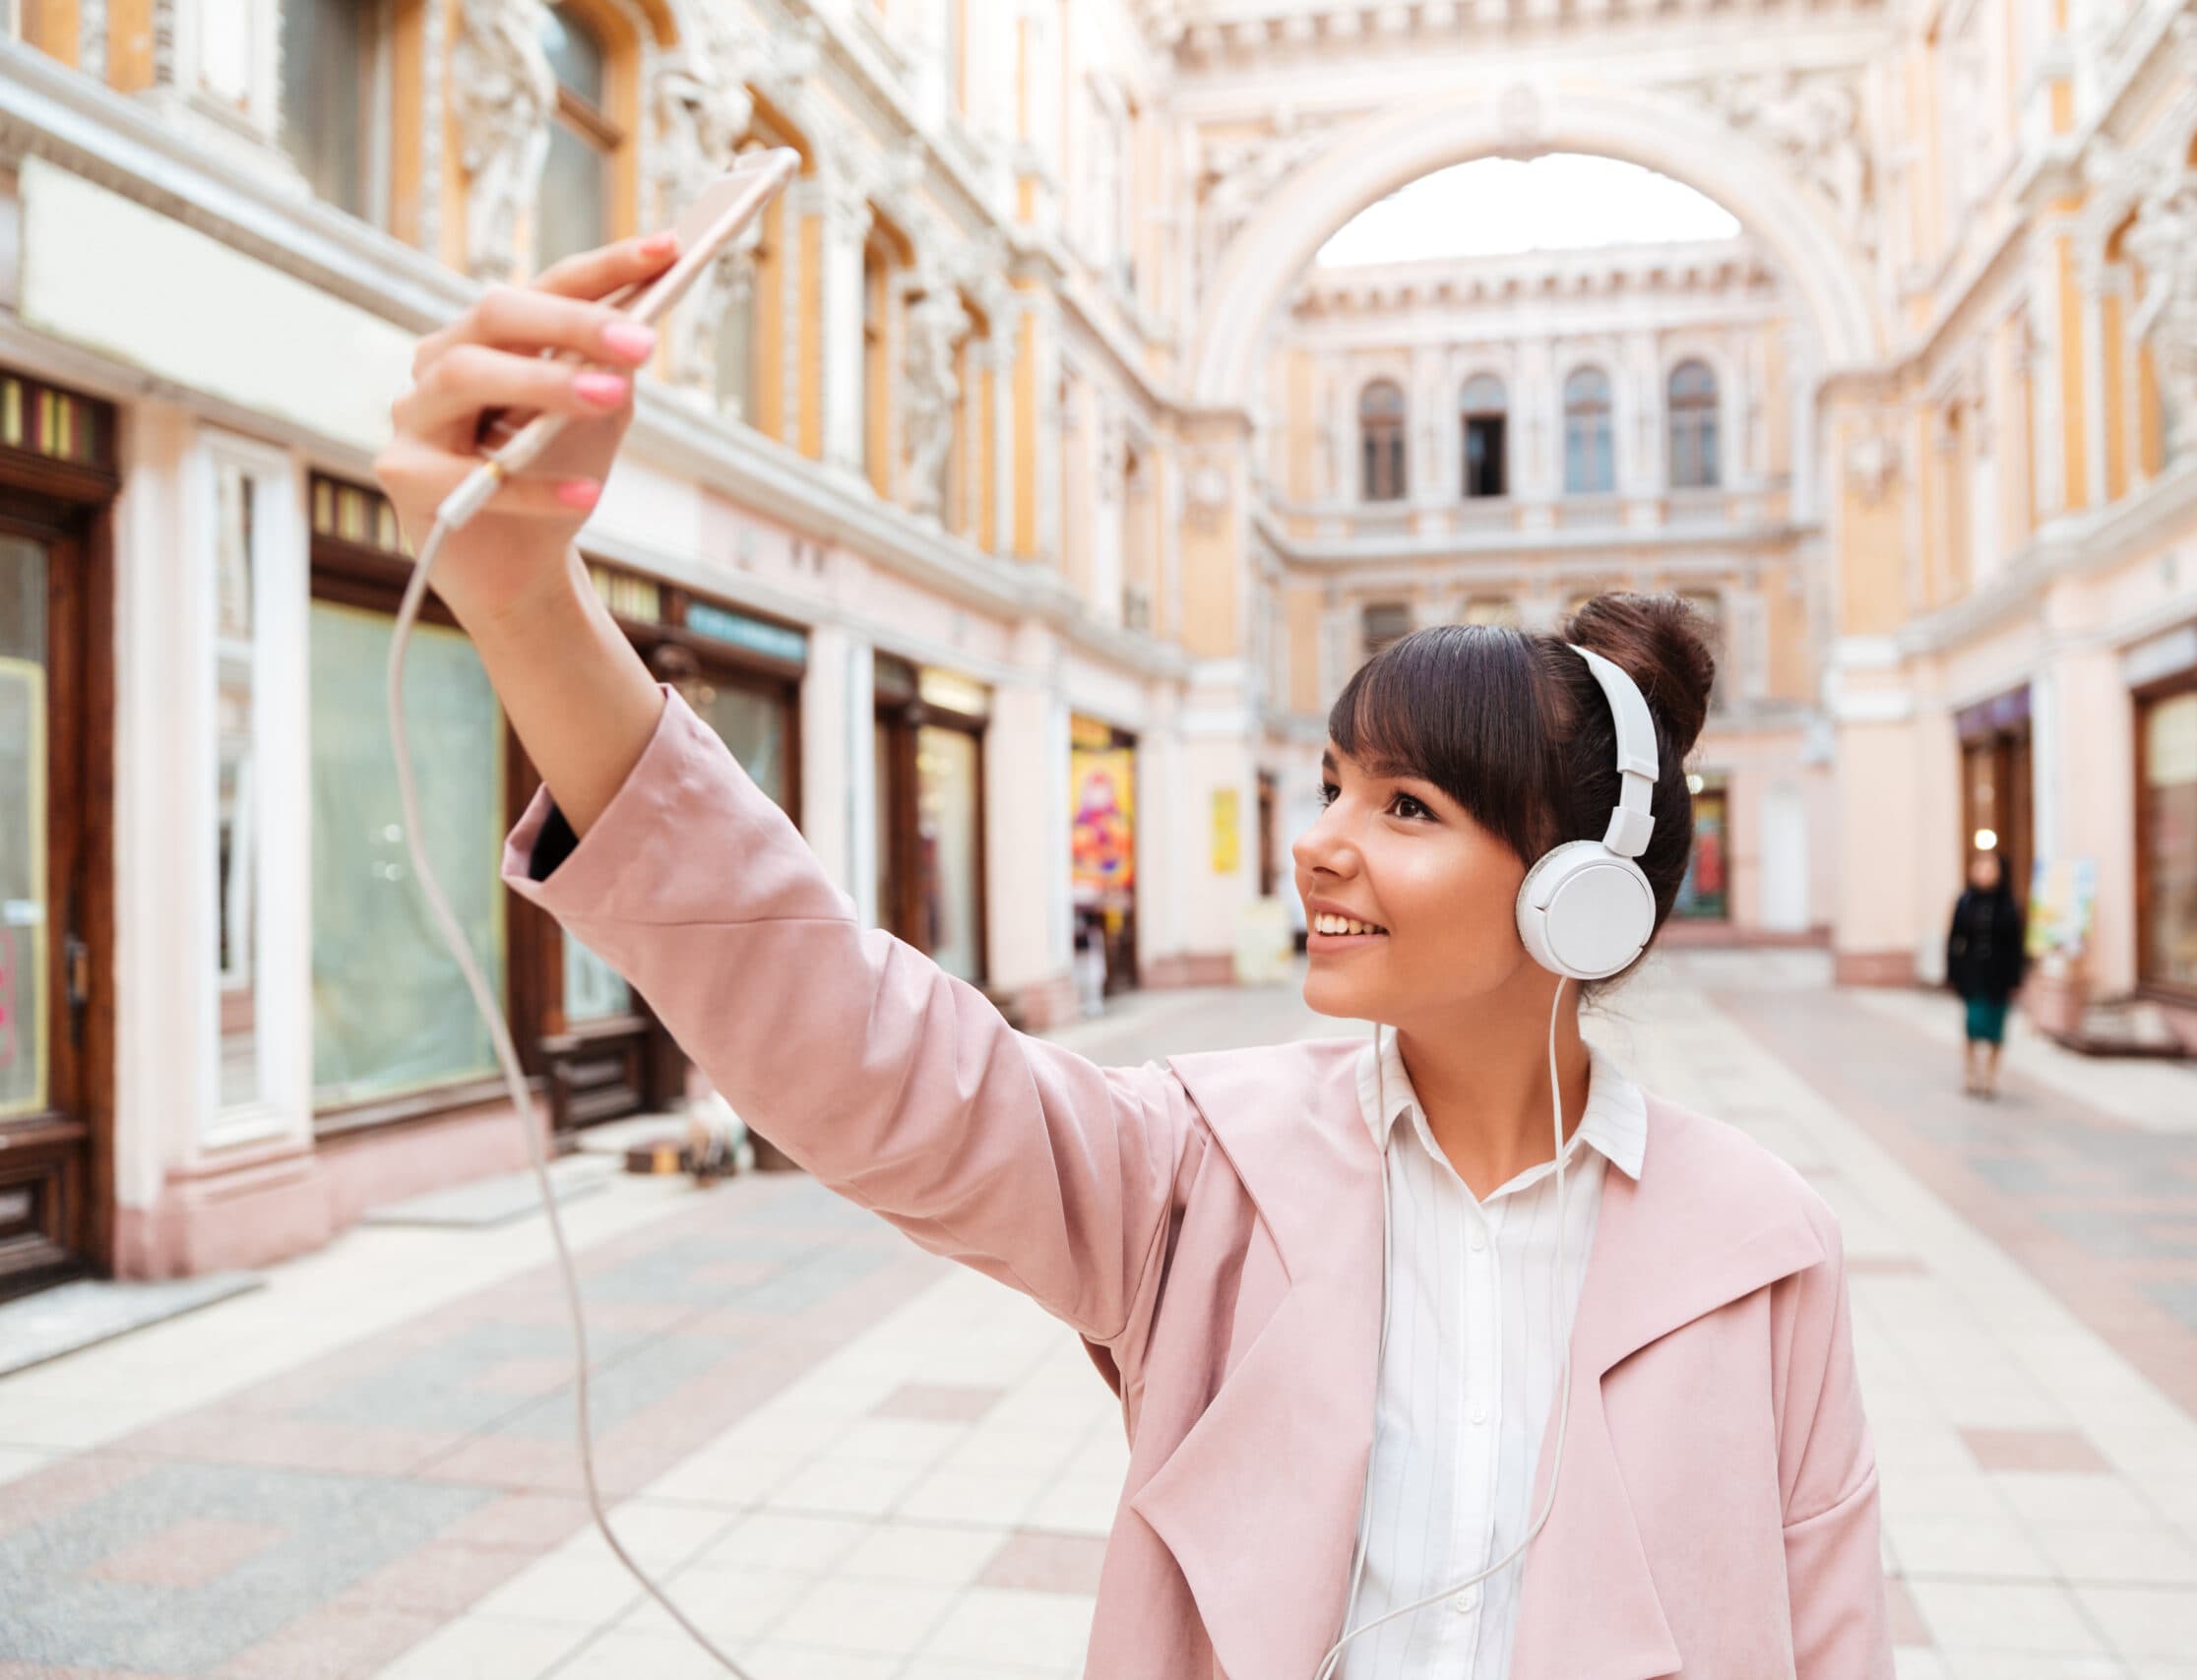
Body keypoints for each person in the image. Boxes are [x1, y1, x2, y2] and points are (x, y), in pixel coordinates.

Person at [377, 231, 1892, 1680]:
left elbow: (1830, 1637)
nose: (1320, 842)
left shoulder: (1759, 1245)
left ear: (1577, 892)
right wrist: (527, 605)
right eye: (1332, 786)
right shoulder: (1198, 1169)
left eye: (1407, 806)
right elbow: (865, 1048)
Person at [1946, 849, 2028, 1099]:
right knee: (1973, 1023)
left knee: (1995, 1028)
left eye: (1990, 868)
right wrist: (1953, 972)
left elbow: (2016, 945)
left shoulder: (2008, 905)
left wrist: (2016, 978)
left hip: (1999, 975)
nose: (1984, 873)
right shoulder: (1965, 901)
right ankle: (1971, 1073)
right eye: (1980, 867)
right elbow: (1954, 940)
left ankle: (1990, 1076)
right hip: (1972, 973)